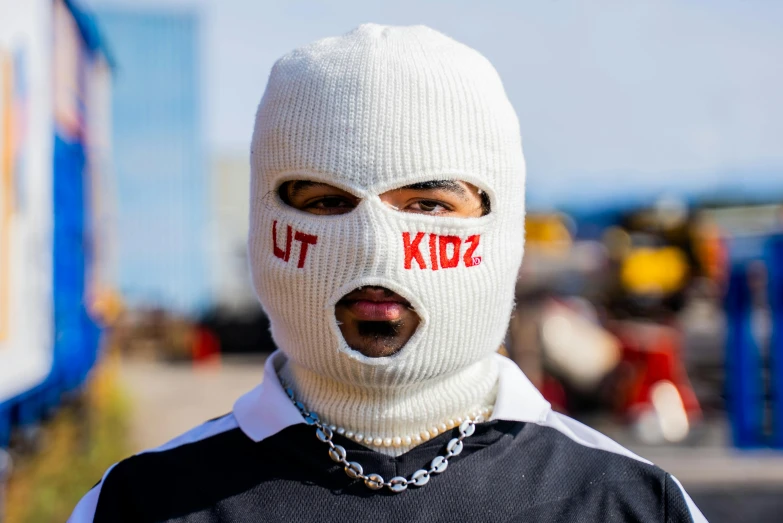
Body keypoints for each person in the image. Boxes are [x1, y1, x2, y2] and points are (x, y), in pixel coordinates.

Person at [69, 23, 707, 522]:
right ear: (266, 223)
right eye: (326, 203)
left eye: (427, 205)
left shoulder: (628, 504)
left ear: (501, 221)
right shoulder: (142, 504)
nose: (376, 247)